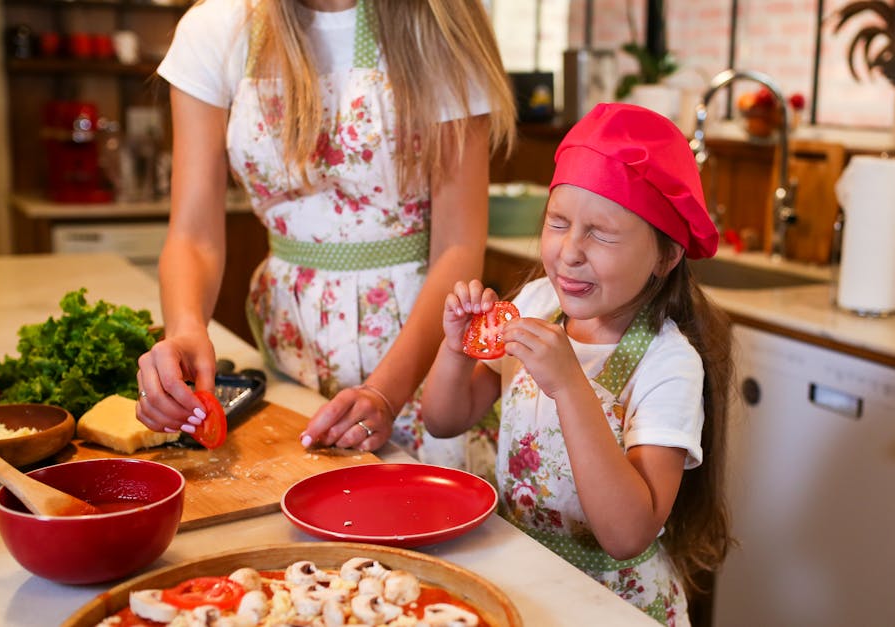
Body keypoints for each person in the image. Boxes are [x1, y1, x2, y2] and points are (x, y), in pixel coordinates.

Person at [133, 0, 516, 468]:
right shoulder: (218, 28)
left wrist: (384, 392)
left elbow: (458, 247)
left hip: (420, 359)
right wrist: (187, 328)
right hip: (288, 347)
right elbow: (193, 234)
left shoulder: (437, 22)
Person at [420, 102, 734, 626]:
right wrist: (455, 348)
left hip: (611, 604)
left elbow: (627, 534)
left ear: (666, 255)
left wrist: (569, 386)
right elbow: (445, 418)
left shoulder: (667, 366)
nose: (569, 252)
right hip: (524, 577)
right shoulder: (540, 303)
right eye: (558, 222)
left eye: (601, 233)